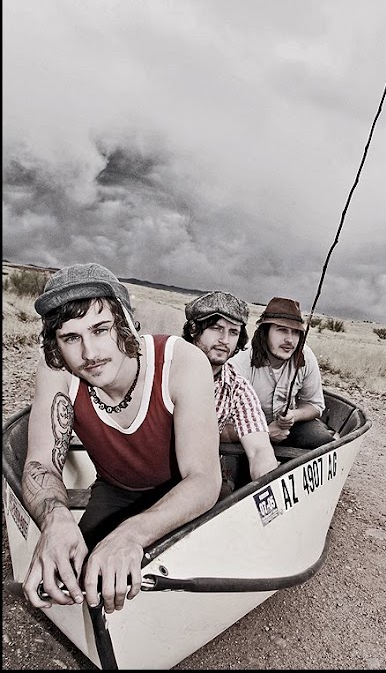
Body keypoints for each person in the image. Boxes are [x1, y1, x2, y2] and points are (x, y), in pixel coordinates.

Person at [22, 263, 221, 616]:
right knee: (75, 578)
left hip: (181, 491)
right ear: (56, 344)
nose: (89, 354)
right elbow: (40, 464)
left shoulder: (181, 361)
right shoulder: (57, 372)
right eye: (71, 338)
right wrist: (56, 520)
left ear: (126, 322)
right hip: (115, 491)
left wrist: (131, 535)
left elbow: (203, 480)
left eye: (100, 329)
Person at [182, 291, 279, 493]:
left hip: (197, 478)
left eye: (233, 332)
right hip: (145, 470)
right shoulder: (166, 366)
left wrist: (268, 488)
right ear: (193, 329)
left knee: (224, 494)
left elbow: (259, 450)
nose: (225, 340)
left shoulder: (237, 387)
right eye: (216, 328)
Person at [229, 297, 334, 449]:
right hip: (246, 433)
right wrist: (264, 432)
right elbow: (221, 423)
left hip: (287, 430)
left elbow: (314, 405)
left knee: (322, 440)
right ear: (265, 332)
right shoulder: (240, 361)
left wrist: (293, 416)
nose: (290, 340)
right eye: (282, 330)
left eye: (296, 332)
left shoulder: (305, 356)